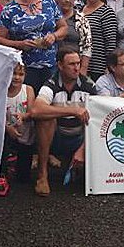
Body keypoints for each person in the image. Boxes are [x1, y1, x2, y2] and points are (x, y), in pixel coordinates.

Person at [29, 46, 95, 196]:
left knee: (96, 119)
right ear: (60, 65)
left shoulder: (88, 85)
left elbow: (105, 108)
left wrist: (83, 149)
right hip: (56, 137)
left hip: (79, 138)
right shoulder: (51, 84)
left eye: (78, 63)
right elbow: (36, 110)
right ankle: (42, 175)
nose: (76, 68)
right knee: (45, 120)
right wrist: (72, 110)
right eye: (71, 64)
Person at [0, 0, 67, 89]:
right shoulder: (9, 10)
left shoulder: (49, 2)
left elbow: (63, 27)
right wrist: (19, 44)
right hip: (23, 68)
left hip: (50, 65)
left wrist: (54, 36)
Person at [0, 63, 36, 197]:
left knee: (24, 179)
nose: (16, 77)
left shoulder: (28, 90)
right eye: (14, 74)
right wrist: (7, 127)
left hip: (25, 135)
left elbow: (32, 112)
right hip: (5, 133)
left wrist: (23, 116)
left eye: (21, 74)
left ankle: (14, 162)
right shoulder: (1, 91)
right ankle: (2, 173)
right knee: (3, 143)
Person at [82, 0, 118, 81]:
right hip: (80, 64)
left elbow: (111, 43)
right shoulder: (79, 10)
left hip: (99, 67)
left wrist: (109, 66)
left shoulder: (107, 12)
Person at [55, 0, 92, 76]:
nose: (67, 0)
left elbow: (87, 46)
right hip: (53, 64)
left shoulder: (81, 19)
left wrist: (83, 69)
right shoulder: (50, 17)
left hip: (74, 66)